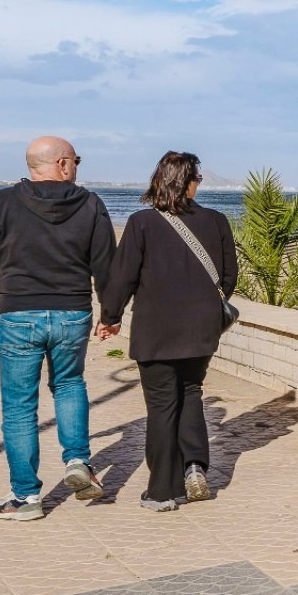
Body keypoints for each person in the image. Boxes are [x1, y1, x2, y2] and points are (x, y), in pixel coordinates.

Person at [0, 136, 115, 520]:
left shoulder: (2, 203)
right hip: (72, 315)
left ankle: (26, 497)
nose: (77, 166)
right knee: (69, 384)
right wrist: (110, 314)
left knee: (19, 407)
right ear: (62, 164)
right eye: (76, 160)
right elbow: (105, 264)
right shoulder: (91, 204)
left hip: (19, 316)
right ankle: (77, 460)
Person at [98, 151, 237, 512]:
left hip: (156, 331)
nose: (198, 184)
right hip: (201, 330)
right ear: (186, 182)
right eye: (197, 179)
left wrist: (110, 316)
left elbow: (122, 276)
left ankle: (162, 491)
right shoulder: (217, 221)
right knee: (190, 392)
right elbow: (228, 277)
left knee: (161, 406)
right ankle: (195, 466)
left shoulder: (142, 223)